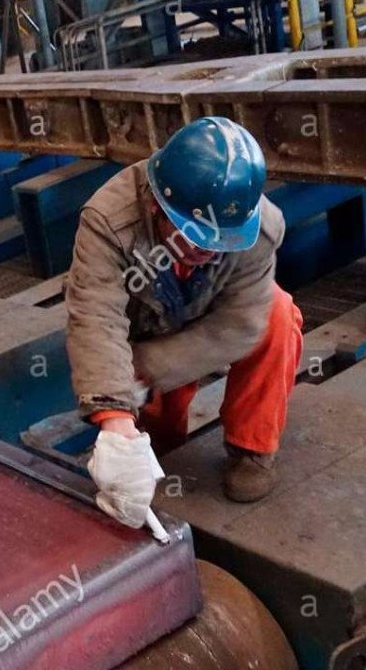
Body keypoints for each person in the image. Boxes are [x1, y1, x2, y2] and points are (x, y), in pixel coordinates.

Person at [65, 117, 304, 533]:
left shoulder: (258, 226)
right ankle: (153, 447)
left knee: (278, 314)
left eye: (217, 241)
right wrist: (116, 417)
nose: (202, 251)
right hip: (146, 326)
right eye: (192, 236)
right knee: (144, 429)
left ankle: (253, 448)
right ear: (157, 205)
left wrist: (155, 368)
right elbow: (95, 316)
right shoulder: (109, 220)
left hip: (206, 322)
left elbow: (242, 321)